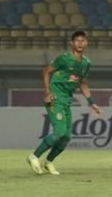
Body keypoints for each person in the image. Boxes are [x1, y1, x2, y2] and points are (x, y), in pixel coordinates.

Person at [27, 30, 102, 175]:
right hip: (55, 98)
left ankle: (48, 162)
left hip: (67, 99)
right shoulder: (64, 58)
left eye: (83, 40)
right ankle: (34, 156)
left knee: (66, 137)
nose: (80, 43)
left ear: (86, 43)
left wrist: (92, 103)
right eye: (77, 40)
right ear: (71, 43)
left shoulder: (86, 63)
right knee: (60, 132)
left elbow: (83, 83)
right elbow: (45, 71)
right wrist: (47, 93)